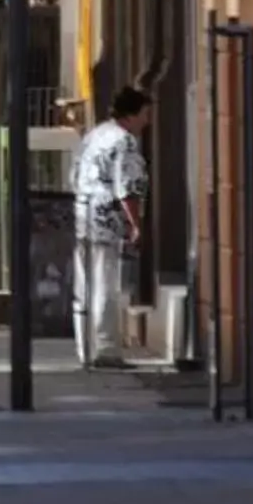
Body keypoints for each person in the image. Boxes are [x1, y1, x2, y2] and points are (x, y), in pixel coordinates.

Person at [72, 86, 152, 369]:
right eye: (144, 114)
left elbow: (75, 172)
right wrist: (136, 224)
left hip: (82, 214)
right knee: (106, 283)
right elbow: (126, 188)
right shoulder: (124, 142)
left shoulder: (95, 135)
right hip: (107, 219)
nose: (147, 121)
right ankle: (105, 349)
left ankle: (85, 348)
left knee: (84, 286)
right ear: (131, 114)